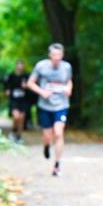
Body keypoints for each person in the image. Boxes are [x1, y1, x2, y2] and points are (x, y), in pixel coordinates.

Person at [27, 44, 73, 176]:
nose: (56, 57)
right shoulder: (41, 66)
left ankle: (57, 165)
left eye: (59, 55)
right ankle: (46, 146)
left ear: (62, 55)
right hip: (45, 106)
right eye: (54, 55)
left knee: (58, 133)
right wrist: (42, 92)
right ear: (49, 55)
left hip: (61, 105)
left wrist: (69, 89)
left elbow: (69, 81)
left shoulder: (66, 67)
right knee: (48, 136)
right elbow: (30, 83)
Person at [3, 60, 30, 143]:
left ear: (23, 67)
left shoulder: (27, 76)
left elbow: (32, 86)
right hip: (14, 100)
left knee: (21, 119)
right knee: (16, 116)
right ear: (16, 66)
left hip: (24, 100)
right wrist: (7, 90)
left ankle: (19, 136)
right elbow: (6, 85)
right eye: (18, 65)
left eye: (21, 65)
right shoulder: (11, 75)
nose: (20, 67)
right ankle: (14, 131)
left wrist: (27, 86)